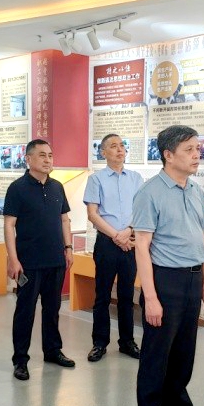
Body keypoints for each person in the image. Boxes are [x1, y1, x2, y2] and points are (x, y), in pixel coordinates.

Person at [132, 125, 204, 406]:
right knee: (156, 360)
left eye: (198, 148)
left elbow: (202, 238)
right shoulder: (150, 192)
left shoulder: (195, 190)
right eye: (189, 150)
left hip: (192, 280)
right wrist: (150, 297)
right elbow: (142, 247)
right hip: (164, 281)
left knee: (183, 357)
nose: (197, 155)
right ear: (168, 155)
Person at [3, 139, 75, 381]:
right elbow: (9, 225)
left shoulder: (57, 187)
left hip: (55, 260)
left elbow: (64, 219)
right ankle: (20, 360)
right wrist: (13, 259)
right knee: (25, 312)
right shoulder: (17, 188)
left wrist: (68, 248)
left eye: (50, 155)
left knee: (53, 309)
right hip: (29, 263)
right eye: (42, 155)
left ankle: (53, 350)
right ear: (28, 159)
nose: (48, 160)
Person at [83, 134, 144, 362]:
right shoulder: (96, 179)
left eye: (122, 146)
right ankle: (99, 343)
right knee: (102, 295)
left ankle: (127, 342)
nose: (120, 150)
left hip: (130, 242)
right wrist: (117, 236)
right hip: (107, 243)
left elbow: (142, 210)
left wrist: (128, 231)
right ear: (103, 152)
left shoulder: (136, 178)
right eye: (113, 146)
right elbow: (92, 214)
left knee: (127, 295)